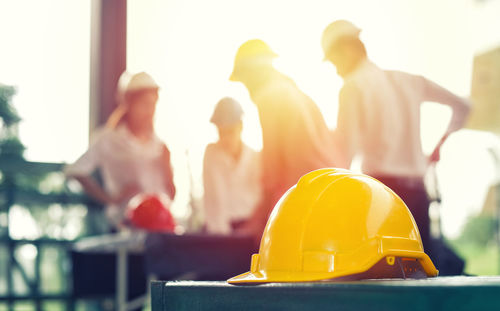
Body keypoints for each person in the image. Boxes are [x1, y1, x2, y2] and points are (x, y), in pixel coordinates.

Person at [321, 20, 470, 251]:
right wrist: (438, 147)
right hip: (419, 193)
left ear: (346, 49)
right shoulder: (409, 81)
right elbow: (463, 106)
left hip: (380, 195)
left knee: (384, 273)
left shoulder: (352, 87)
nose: (336, 69)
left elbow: (344, 153)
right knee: (421, 269)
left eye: (333, 61)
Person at [229, 39, 337, 236]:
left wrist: (259, 221)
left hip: (303, 197)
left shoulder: (269, 97)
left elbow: (273, 170)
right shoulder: (299, 95)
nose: (247, 88)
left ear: (253, 73)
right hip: (330, 192)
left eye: (244, 80)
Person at [65, 71, 175, 230]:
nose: (149, 111)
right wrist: (110, 199)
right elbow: (75, 171)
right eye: (144, 104)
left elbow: (171, 193)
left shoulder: (160, 145)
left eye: (152, 105)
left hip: (160, 227)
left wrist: (168, 170)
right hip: (124, 226)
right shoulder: (108, 139)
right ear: (128, 103)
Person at [203, 97, 261, 235]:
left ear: (240, 126)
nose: (225, 139)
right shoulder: (212, 154)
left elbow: (260, 197)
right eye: (221, 133)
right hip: (219, 230)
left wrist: (253, 228)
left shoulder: (255, 157)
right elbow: (215, 198)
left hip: (249, 229)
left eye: (230, 132)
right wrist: (223, 237)